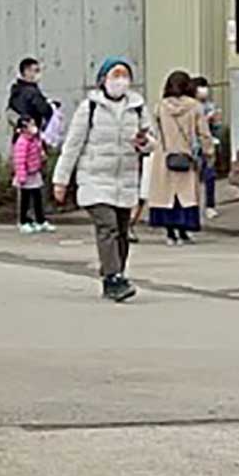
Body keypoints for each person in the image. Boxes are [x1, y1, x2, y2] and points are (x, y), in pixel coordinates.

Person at [53, 58, 154, 302]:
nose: (120, 81)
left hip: (125, 179)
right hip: (94, 179)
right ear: (103, 80)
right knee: (107, 226)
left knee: (122, 231)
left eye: (124, 75)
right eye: (115, 75)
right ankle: (113, 278)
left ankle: (114, 271)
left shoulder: (138, 107)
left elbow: (151, 141)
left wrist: (144, 142)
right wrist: (61, 180)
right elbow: (73, 145)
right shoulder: (90, 108)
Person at [148, 70, 215, 244]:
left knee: (167, 196)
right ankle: (184, 231)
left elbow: (155, 131)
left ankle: (170, 234)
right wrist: (209, 152)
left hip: (164, 156)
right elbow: (204, 134)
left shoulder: (160, 106)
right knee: (185, 196)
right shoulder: (194, 107)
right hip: (186, 155)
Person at [11, 117, 51, 233]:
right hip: (26, 176)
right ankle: (23, 221)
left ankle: (40, 220)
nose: (34, 127)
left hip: (34, 173)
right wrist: (21, 177)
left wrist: (42, 156)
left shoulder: (34, 140)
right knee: (25, 200)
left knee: (38, 198)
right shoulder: (22, 142)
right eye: (31, 125)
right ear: (24, 128)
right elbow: (19, 160)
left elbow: (38, 152)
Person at [194, 77, 222, 219]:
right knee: (192, 179)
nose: (204, 90)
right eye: (201, 87)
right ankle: (192, 207)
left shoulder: (211, 106)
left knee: (210, 176)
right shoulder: (191, 106)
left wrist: (215, 121)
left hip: (209, 145)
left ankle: (210, 206)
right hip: (194, 147)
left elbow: (217, 128)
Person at [6, 57, 53, 132]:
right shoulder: (32, 92)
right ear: (27, 72)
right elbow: (45, 110)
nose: (39, 74)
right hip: (33, 134)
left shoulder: (16, 90)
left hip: (20, 135)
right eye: (36, 71)